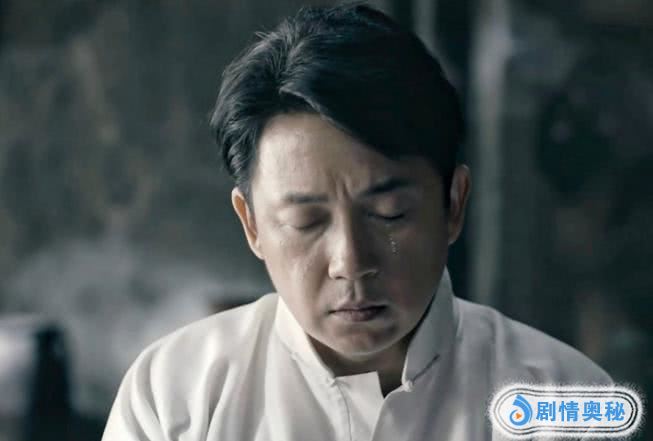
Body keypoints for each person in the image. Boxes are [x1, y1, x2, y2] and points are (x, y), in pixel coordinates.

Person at [102, 4, 611, 440]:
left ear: (453, 204)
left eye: (389, 214)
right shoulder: (175, 396)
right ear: (251, 224)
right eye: (306, 221)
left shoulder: (564, 397)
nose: (351, 261)